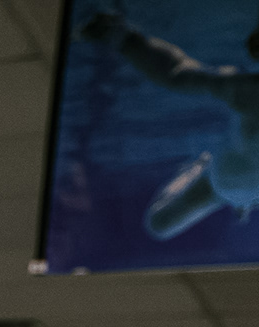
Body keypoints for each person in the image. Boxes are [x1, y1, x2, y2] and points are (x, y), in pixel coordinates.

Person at [78, 12, 259, 240]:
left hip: (240, 187)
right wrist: (122, 37)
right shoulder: (245, 88)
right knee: (159, 224)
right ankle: (197, 167)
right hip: (221, 184)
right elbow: (176, 73)